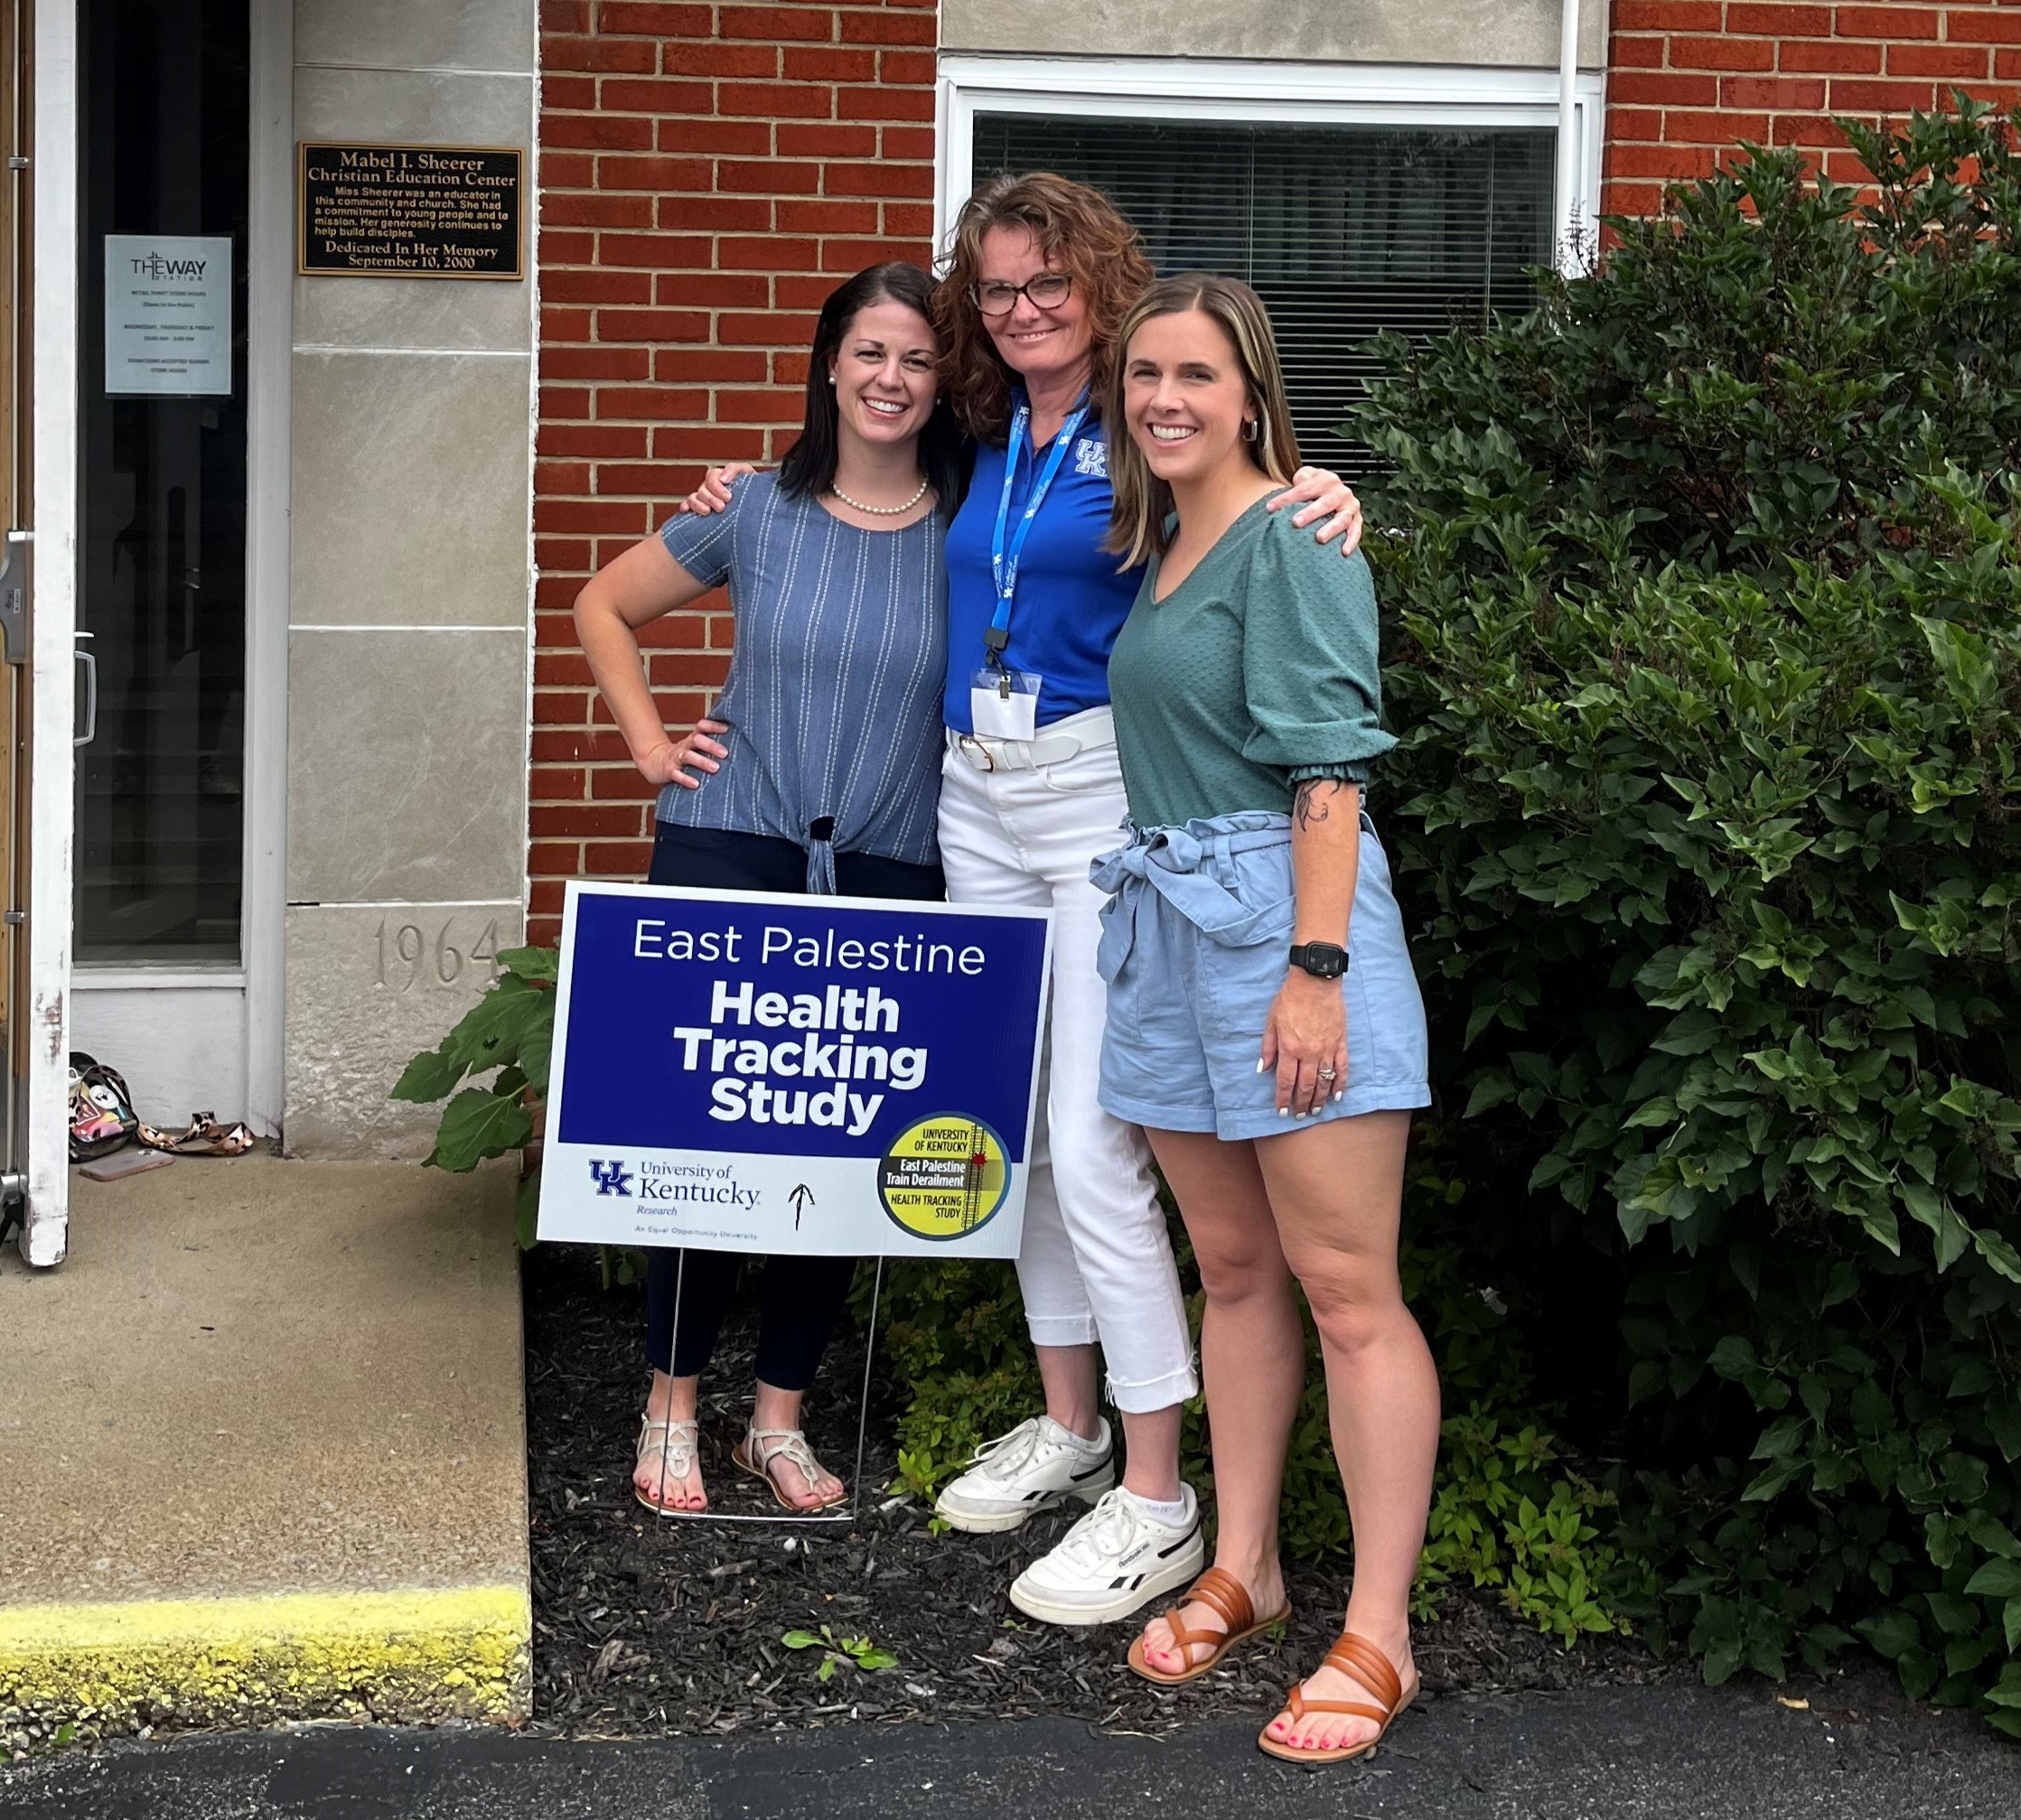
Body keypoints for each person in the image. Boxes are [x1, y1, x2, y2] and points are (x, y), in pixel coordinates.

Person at [686, 173, 1364, 1622]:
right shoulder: (975, 423)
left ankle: (1158, 1489)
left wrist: (1328, 487)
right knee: (1019, 1124)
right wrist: (733, 490)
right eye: (993, 289)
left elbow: (1252, 502)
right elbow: (847, 453)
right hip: (967, 791)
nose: (1022, 309)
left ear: (1099, 280)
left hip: (1091, 791)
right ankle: (1072, 1421)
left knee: (1088, 1131)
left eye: (1046, 282)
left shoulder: (1143, 423)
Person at [1094, 272, 1435, 1766]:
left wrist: (1313, 965)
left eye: (1194, 374)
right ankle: (1247, 1562)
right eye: (1143, 372)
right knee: (1232, 1273)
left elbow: (1330, 771)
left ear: (1250, 395)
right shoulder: (1162, 543)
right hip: (1165, 925)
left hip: (1282, 922)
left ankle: (1380, 1634)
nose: (1163, 396)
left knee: (1346, 1288)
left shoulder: (1293, 536)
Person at [574, 262, 967, 1517]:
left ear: (941, 378)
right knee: (697, 1143)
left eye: (914, 357)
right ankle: (673, 1402)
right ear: (829, 365)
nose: (890, 378)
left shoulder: (973, 527)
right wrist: (646, 744)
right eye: (868, 352)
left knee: (844, 1154)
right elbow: (603, 603)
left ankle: (777, 1421)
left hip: (890, 864)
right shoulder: (753, 504)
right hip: (729, 840)